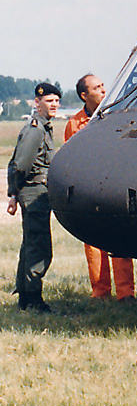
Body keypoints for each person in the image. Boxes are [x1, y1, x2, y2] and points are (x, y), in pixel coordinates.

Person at [64, 74, 136, 303]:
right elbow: (71, 158)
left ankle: (126, 293)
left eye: (103, 85)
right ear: (84, 95)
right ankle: (100, 291)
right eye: (97, 88)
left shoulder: (117, 116)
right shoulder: (75, 124)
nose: (103, 90)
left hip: (114, 188)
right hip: (89, 191)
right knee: (94, 245)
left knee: (121, 242)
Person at [6, 82, 61, 312]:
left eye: (57, 101)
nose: (54, 105)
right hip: (34, 193)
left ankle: (25, 298)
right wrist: (14, 192)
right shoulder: (36, 130)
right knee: (39, 247)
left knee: (30, 244)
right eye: (49, 101)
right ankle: (34, 300)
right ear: (37, 103)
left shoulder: (43, 128)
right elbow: (19, 165)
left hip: (36, 192)